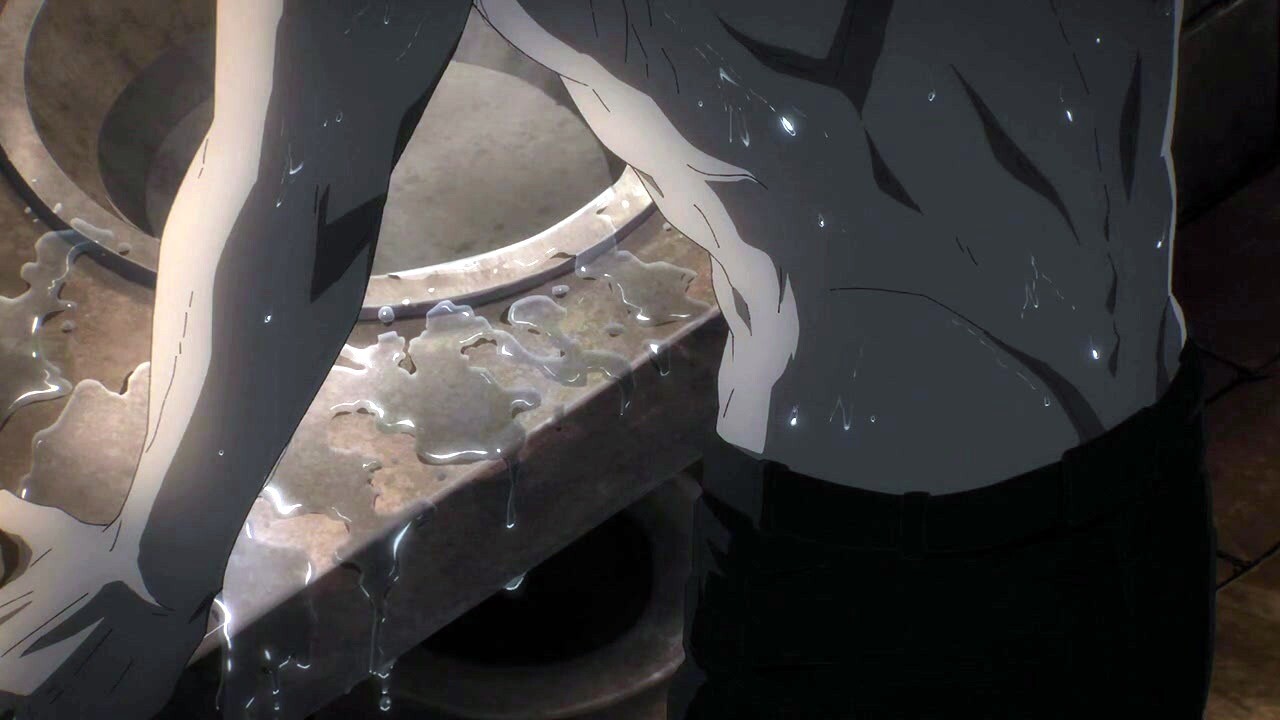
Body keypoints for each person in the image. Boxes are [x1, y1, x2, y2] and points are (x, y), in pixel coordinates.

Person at [0, 0, 1215, 717]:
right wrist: (158, 567)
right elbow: (297, 185)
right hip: (1022, 498)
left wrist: (156, 569)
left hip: (988, 523)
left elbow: (299, 183)